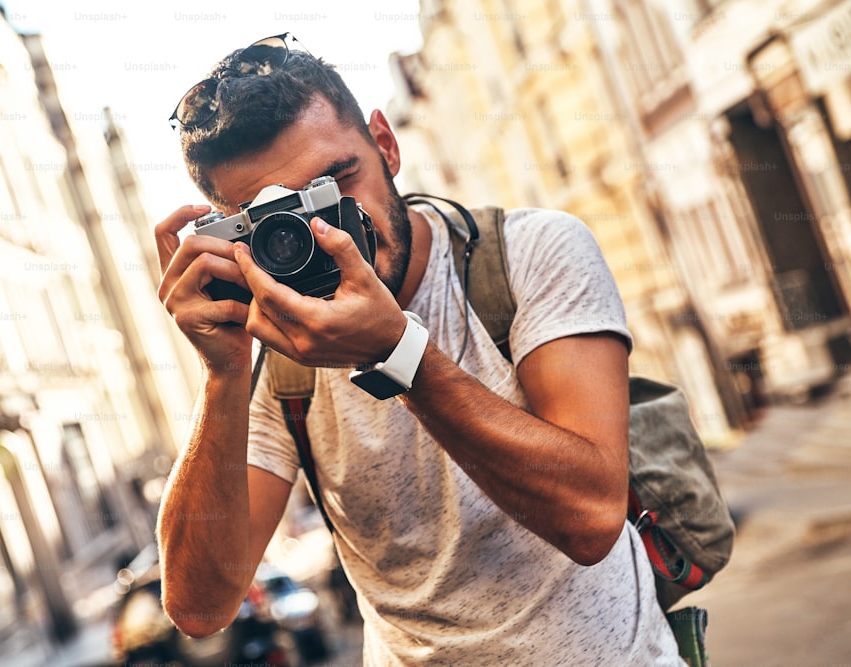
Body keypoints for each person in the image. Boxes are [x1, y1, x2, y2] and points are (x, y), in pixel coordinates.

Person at [154, 32, 683, 665]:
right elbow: (200, 607)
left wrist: (397, 354)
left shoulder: (528, 255)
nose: (326, 228)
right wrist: (222, 372)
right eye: (281, 218)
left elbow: (593, 515)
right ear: (233, 233)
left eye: (336, 181)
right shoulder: (278, 356)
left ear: (386, 143)